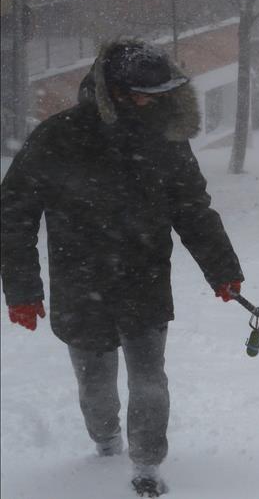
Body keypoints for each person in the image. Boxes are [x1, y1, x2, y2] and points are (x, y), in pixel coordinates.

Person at [1, 39, 245, 498]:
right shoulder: (59, 137)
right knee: (96, 388)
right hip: (79, 281)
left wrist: (222, 269)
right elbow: (13, 213)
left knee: (149, 378)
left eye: (158, 94)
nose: (150, 103)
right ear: (112, 91)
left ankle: (148, 463)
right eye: (141, 94)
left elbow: (192, 207)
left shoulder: (166, 139)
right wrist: (22, 290)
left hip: (144, 277)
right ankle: (105, 439)